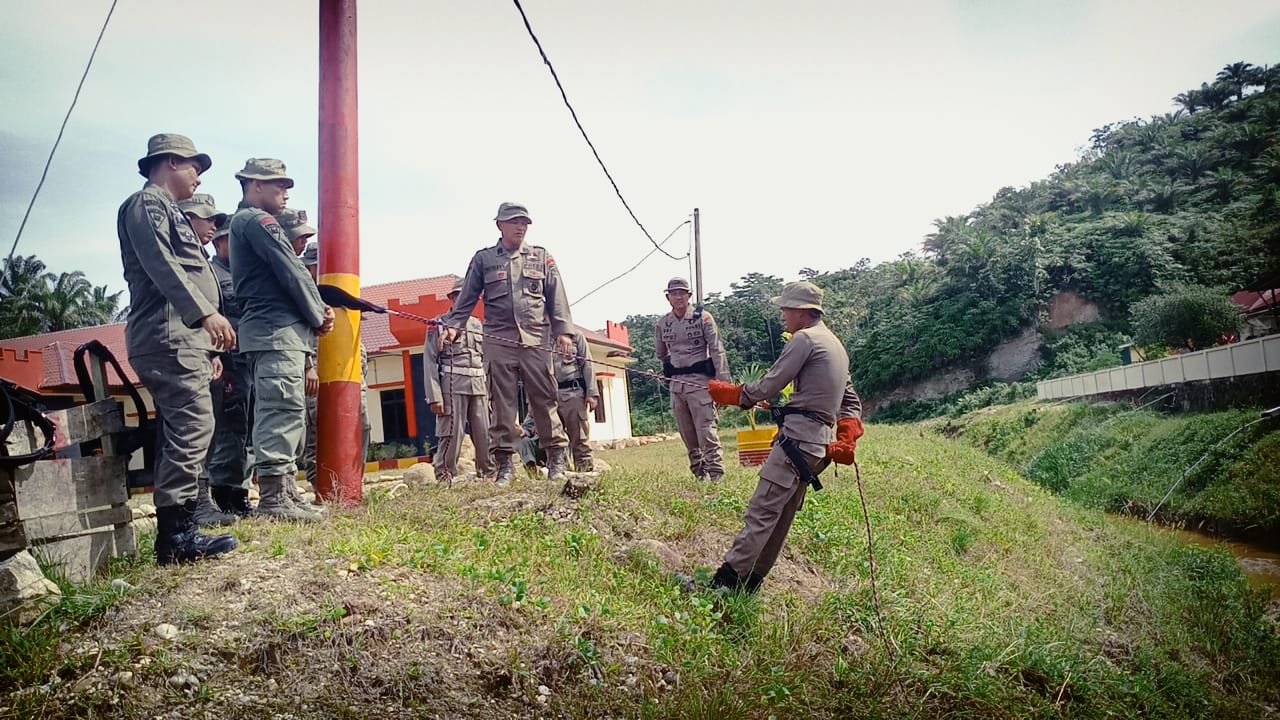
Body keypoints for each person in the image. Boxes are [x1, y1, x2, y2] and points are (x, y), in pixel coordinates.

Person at [117, 133, 238, 565]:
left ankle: (180, 529)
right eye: (194, 167)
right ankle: (176, 536)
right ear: (168, 162)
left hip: (182, 337)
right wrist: (204, 314)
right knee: (193, 426)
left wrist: (207, 345)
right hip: (169, 334)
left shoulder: (166, 210)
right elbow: (162, 264)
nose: (199, 177)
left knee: (188, 428)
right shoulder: (146, 204)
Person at [707, 281, 863, 594]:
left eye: (786, 308)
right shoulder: (835, 345)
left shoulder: (804, 339)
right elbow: (851, 403)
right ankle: (750, 584)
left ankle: (723, 584)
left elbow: (771, 384)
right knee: (780, 518)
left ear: (803, 312)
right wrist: (847, 437)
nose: (782, 315)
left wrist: (735, 395)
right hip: (817, 448)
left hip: (797, 442)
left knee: (762, 512)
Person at [441, 202, 576, 485]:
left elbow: (557, 296)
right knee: (502, 405)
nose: (520, 226)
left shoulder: (541, 257)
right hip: (499, 340)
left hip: (536, 338)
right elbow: (466, 298)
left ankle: (556, 460)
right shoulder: (484, 260)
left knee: (545, 400)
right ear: (499, 225)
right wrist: (454, 327)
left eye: (524, 222)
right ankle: (504, 465)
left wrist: (563, 332)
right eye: (514, 221)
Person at [229, 158, 333, 521]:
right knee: (280, 409)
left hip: (279, 332)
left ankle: (285, 491)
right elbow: (291, 271)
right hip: (275, 332)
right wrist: (318, 313)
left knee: (287, 410)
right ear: (255, 186)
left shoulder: (247, 223)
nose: (285, 192)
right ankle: (274, 499)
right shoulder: (257, 221)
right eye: (278, 185)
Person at [175, 193, 238, 527]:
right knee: (190, 431)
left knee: (206, 429)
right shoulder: (176, 257)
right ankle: (189, 509)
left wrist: (212, 351)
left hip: (205, 353)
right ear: (184, 219)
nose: (213, 225)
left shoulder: (197, 259)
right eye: (206, 218)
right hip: (181, 353)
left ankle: (200, 502)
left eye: (216, 220)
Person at [202, 219, 256, 517]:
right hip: (227, 362)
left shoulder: (246, 273)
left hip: (250, 359)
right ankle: (223, 491)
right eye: (228, 240)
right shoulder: (210, 274)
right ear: (217, 243)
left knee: (248, 429)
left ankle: (241, 491)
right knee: (229, 427)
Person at [655, 277, 731, 482]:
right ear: (667, 297)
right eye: (674, 293)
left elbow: (717, 351)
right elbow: (661, 354)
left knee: (706, 431)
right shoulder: (663, 323)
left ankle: (716, 475)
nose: (678, 297)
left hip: (700, 383)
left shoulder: (703, 318)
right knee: (688, 435)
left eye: (682, 293)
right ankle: (699, 474)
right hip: (677, 386)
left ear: (689, 296)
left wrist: (724, 386)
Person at [425, 279, 495, 485]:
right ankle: (445, 475)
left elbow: (487, 359)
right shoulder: (439, 324)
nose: (462, 299)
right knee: (451, 432)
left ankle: (488, 473)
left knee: (484, 431)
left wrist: (491, 391)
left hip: (478, 384)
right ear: (452, 299)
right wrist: (434, 396)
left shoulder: (478, 326)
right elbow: (429, 361)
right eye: (458, 296)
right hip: (452, 384)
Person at [279, 211, 319, 505]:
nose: (304, 242)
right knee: (298, 430)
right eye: (300, 237)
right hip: (300, 366)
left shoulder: (325, 291)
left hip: (320, 369)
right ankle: (288, 490)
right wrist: (309, 365)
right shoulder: (292, 282)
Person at [553, 332, 597, 471]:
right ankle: (559, 474)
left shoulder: (576, 336)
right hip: (549, 396)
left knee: (580, 438)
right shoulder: (538, 336)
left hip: (573, 392)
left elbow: (587, 363)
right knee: (554, 440)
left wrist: (592, 393)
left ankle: (586, 475)